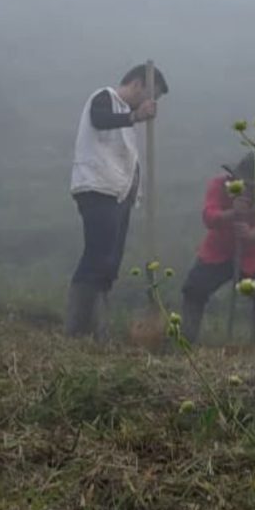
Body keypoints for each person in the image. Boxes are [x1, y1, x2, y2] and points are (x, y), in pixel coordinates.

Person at [66, 63, 169, 339]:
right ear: (137, 84)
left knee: (110, 261)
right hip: (97, 190)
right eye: (151, 95)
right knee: (97, 256)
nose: (151, 103)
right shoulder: (103, 98)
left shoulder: (125, 117)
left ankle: (97, 327)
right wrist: (136, 116)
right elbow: (100, 120)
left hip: (119, 196)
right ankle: (78, 327)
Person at [180, 153, 255, 344]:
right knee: (194, 290)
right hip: (216, 252)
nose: (250, 188)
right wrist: (231, 213)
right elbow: (209, 216)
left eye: (254, 185)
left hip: (251, 257)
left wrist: (250, 235)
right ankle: (186, 340)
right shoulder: (219, 186)